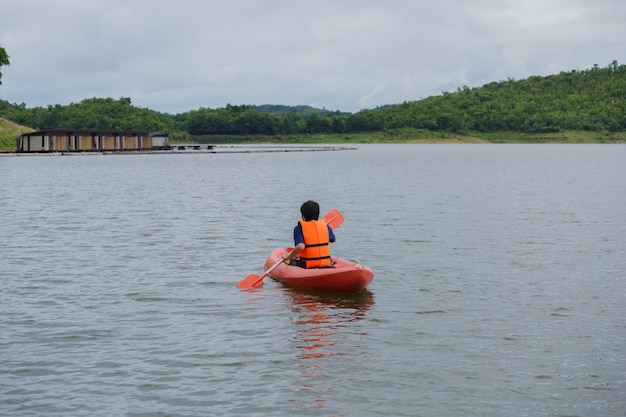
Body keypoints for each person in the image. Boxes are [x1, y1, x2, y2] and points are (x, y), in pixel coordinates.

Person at [282, 200, 336, 268]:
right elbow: (333, 239)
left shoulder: (299, 228)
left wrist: (288, 256)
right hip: (326, 264)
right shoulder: (326, 227)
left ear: (303, 216)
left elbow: (300, 246)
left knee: (289, 260)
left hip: (306, 264)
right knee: (330, 259)